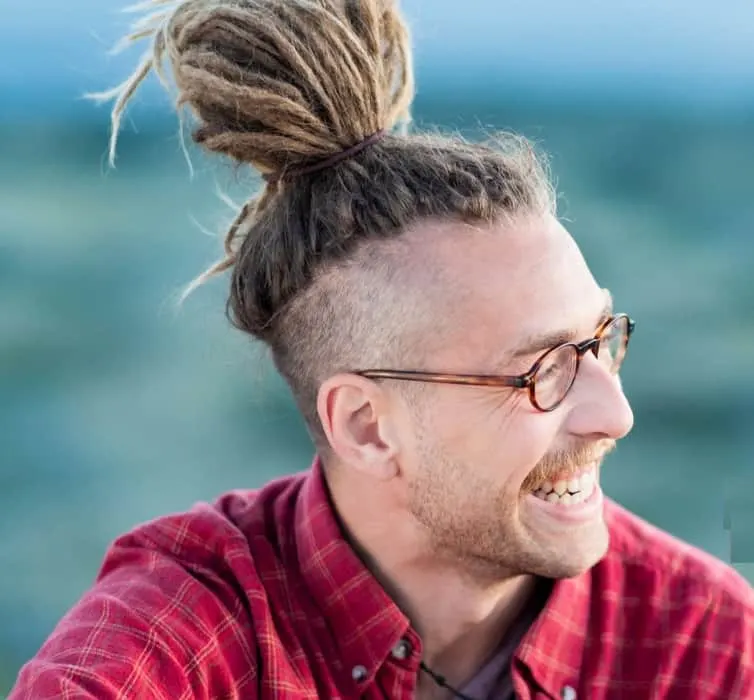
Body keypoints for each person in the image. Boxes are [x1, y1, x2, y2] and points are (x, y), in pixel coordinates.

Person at [10, 0, 754, 698]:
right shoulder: (180, 645)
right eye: (542, 372)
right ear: (367, 427)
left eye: (600, 341)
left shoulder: (705, 644)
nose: (615, 414)